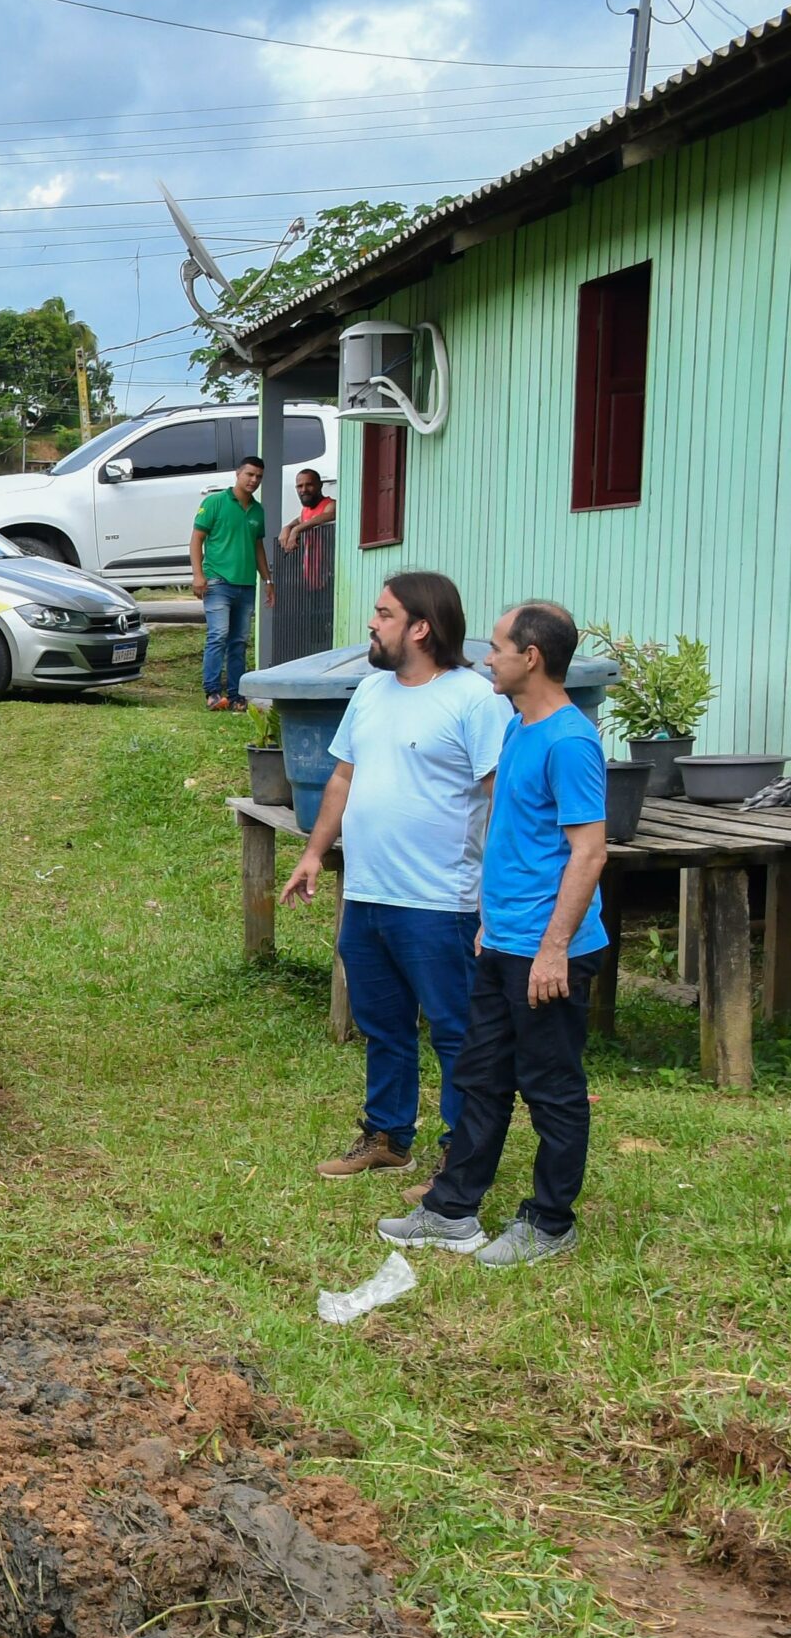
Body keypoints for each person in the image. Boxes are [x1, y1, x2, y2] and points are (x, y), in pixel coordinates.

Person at [379, 601, 609, 1267]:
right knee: (481, 1077)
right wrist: (490, 922)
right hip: (504, 941)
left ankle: (550, 1223)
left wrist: (553, 949)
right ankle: (452, 1210)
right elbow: (513, 838)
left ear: (530, 657)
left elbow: (589, 852)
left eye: (499, 648)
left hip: (548, 952)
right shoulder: (517, 727)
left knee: (551, 1088)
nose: (487, 659)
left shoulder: (569, 742)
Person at [280, 573, 507, 1181]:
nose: (372, 623)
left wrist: (500, 895)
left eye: (384, 614)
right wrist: (314, 853)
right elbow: (342, 777)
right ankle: (387, 1136)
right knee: (383, 1025)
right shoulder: (371, 690)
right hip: (367, 893)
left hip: (441, 902)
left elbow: (502, 798)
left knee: (456, 1033)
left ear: (421, 627)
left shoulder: (475, 700)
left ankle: (461, 1156)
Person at [190, 455, 276, 711]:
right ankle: (213, 693)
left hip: (246, 584)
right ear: (238, 474)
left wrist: (268, 579)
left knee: (239, 640)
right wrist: (198, 575)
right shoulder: (215, 502)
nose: (254, 480)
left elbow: (257, 546)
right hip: (217, 581)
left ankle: (237, 696)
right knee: (218, 635)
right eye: (249, 474)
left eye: (259, 476)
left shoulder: (258, 510)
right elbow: (196, 539)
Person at [280, 467, 336, 591]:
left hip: (330, 573)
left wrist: (296, 530)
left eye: (309, 485)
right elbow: (298, 520)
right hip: (310, 577)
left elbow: (330, 514)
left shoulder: (330, 504)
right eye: (299, 486)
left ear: (320, 485)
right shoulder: (305, 511)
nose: (304, 489)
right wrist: (287, 528)